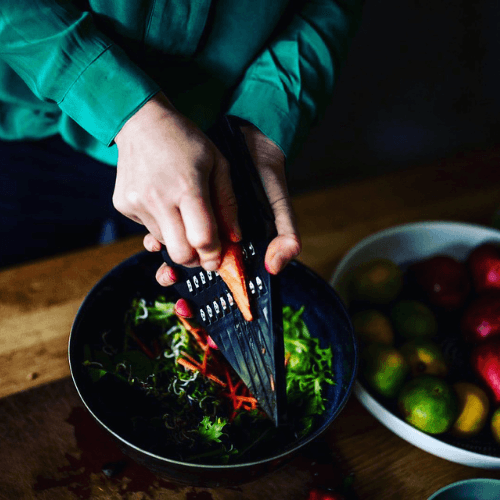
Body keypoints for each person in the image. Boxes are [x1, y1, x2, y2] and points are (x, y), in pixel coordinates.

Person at [0, 0, 363, 281]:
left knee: (156, 277)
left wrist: (261, 123)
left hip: (205, 160)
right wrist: (129, 113)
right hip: (30, 124)